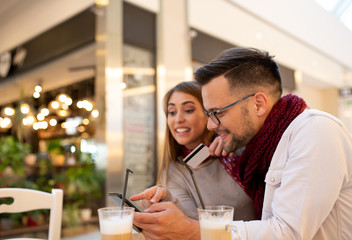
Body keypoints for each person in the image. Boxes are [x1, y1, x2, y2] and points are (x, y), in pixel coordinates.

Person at [134, 47, 352, 240]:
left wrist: (196, 232)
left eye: (217, 112)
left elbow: (287, 232)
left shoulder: (315, 130)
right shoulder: (260, 150)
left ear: (258, 104)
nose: (210, 125)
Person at [132, 81, 255, 239]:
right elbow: (189, 225)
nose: (178, 119)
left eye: (188, 110)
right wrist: (166, 200)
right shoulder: (174, 172)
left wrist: (233, 141)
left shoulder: (238, 149)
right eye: (171, 112)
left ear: (209, 114)